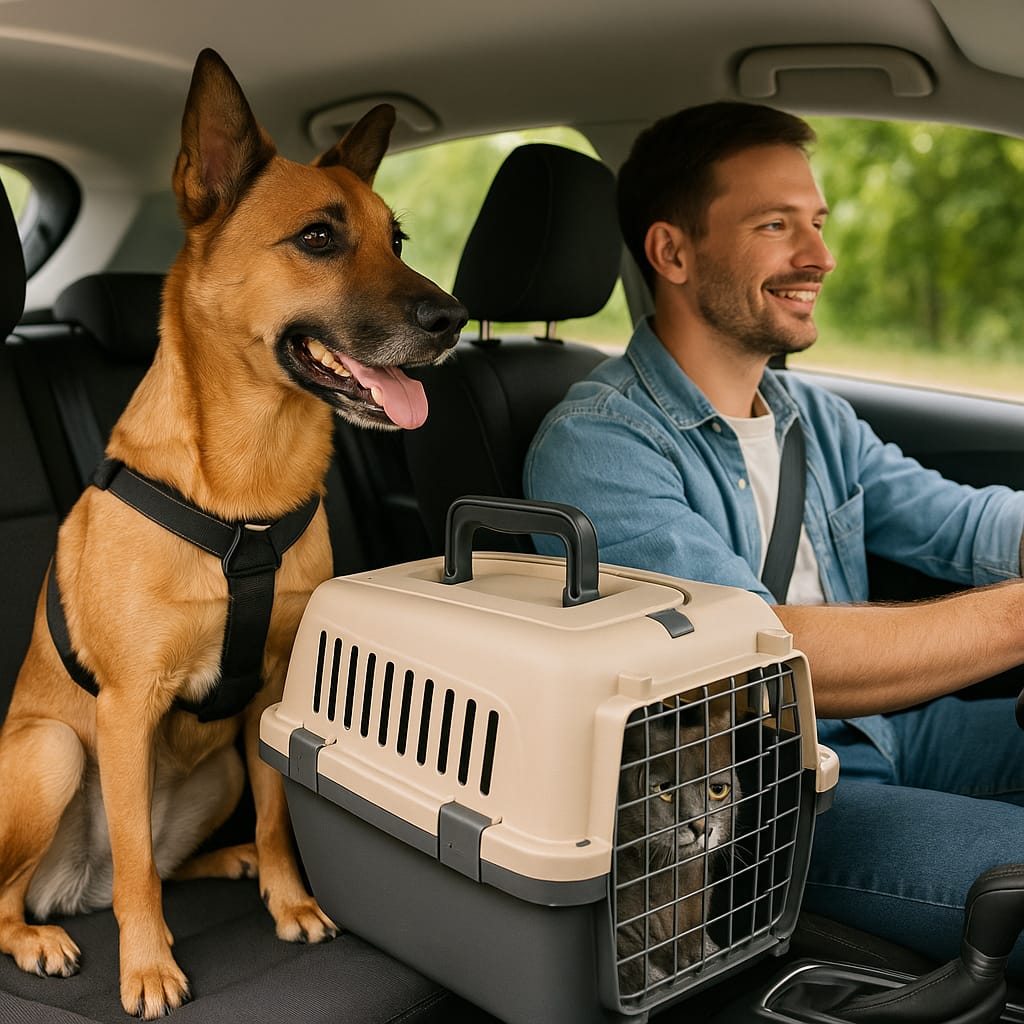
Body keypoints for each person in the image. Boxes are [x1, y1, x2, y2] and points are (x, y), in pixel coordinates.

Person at [523, 101, 1024, 972]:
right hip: (767, 799)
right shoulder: (597, 447)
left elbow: (970, 525)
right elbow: (757, 656)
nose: (819, 257)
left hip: (894, 733)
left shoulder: (813, 418)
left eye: (818, 224)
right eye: (775, 225)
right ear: (672, 253)